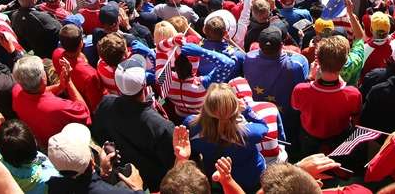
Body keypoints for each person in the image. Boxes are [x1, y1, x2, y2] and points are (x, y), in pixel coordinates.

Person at [91, 55, 176, 192]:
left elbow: (99, 134)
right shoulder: (162, 126)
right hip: (154, 184)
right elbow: (173, 164)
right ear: (144, 85)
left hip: (124, 175)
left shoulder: (105, 103)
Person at [186, 83, 270, 192]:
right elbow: (264, 126)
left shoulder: (191, 125)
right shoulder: (249, 133)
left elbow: (192, 150)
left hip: (218, 180)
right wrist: (247, 110)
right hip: (251, 179)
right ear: (235, 109)